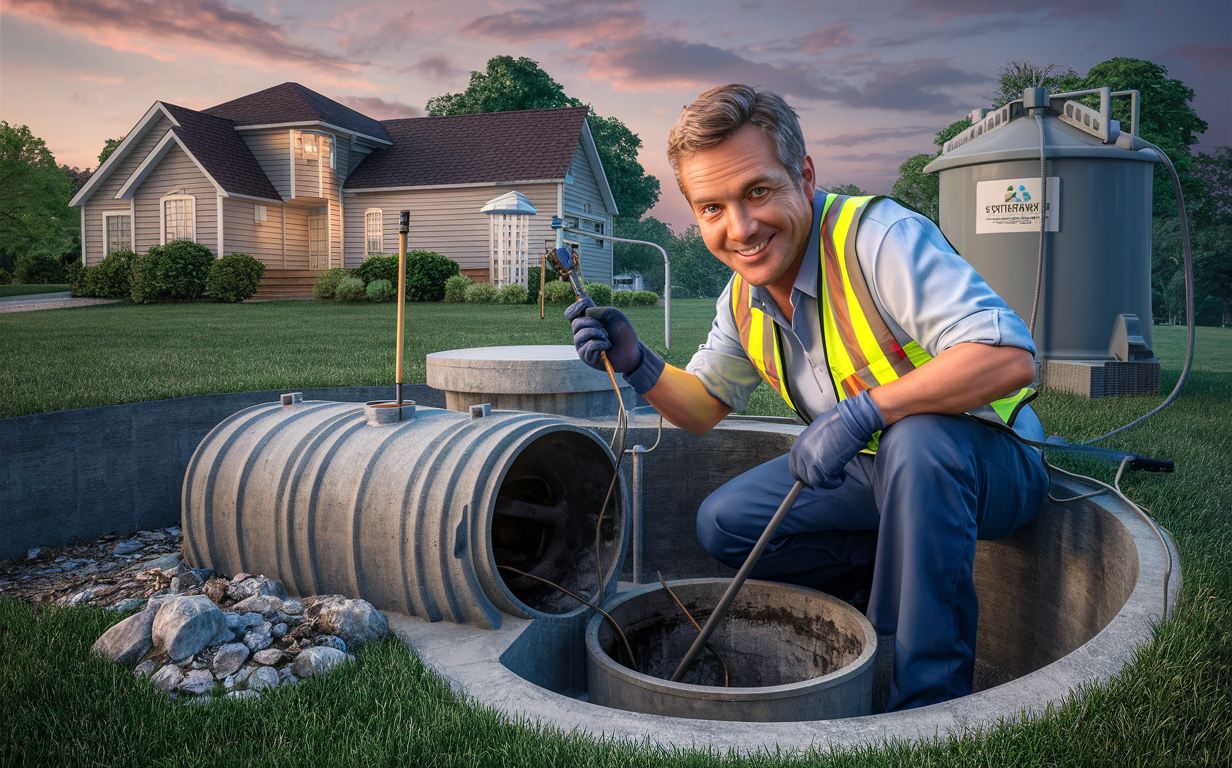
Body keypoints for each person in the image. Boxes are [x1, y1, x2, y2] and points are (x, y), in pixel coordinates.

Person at [567, 84, 1048, 712]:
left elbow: (1009, 355)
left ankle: (926, 705)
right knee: (726, 523)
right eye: (713, 207)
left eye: (758, 191)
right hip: (876, 472)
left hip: (987, 463)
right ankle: (884, 581)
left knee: (919, 440)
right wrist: (637, 363)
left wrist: (867, 410)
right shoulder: (742, 298)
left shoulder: (879, 238)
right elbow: (705, 406)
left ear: (805, 174)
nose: (740, 228)